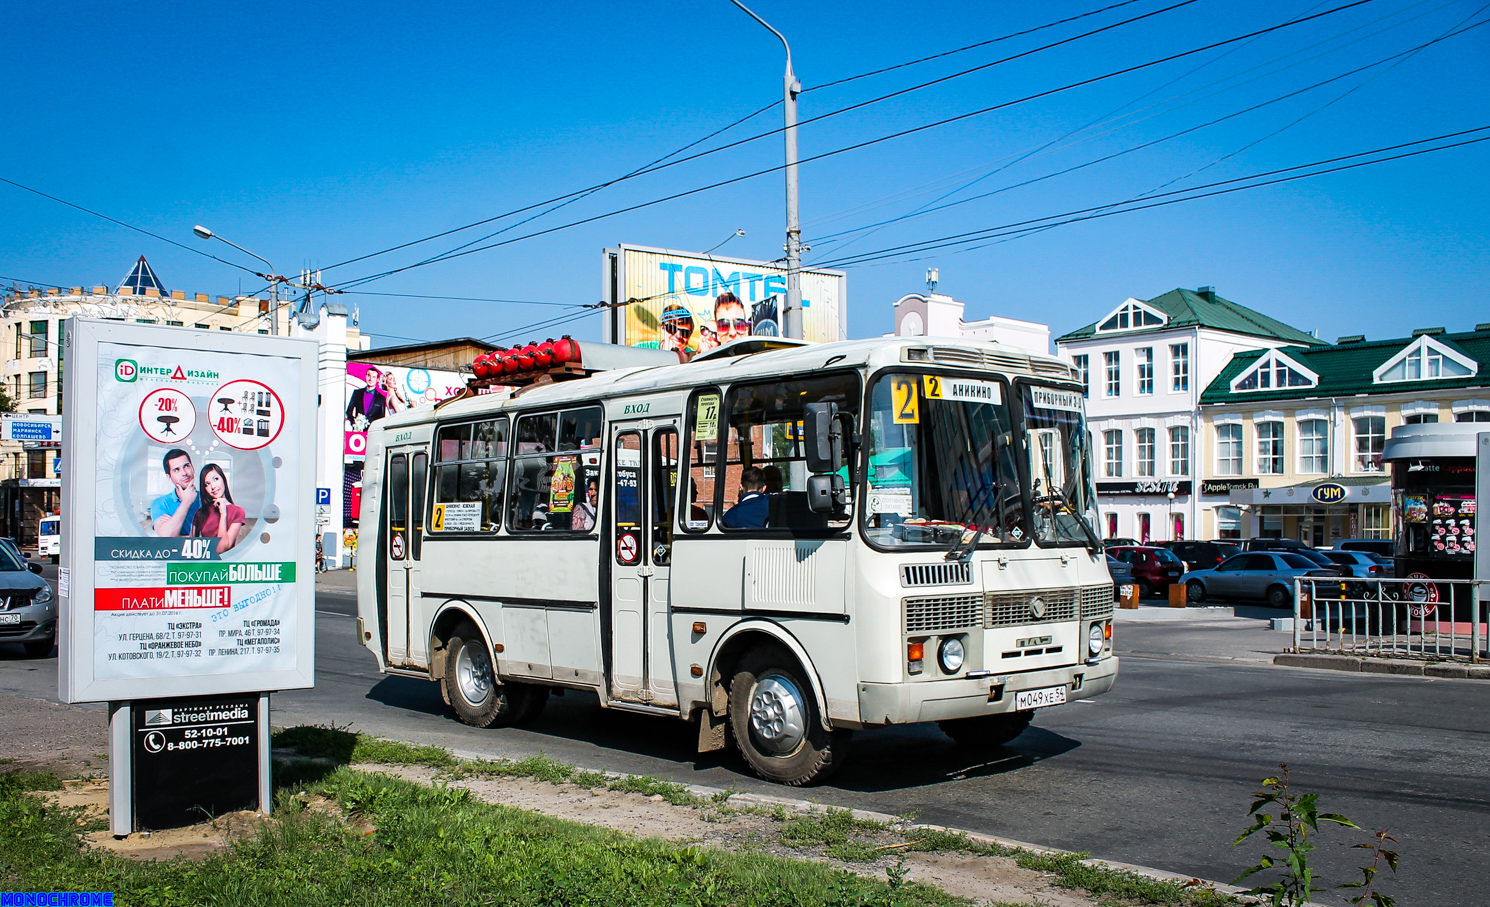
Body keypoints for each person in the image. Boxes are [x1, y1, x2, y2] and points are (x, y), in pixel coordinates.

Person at [192, 463, 247, 554]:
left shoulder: (238, 512)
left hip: (225, 564)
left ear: (223, 479)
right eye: (207, 484)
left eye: (215, 479)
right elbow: (192, 547)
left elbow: (221, 549)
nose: (213, 487)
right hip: (203, 565)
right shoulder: (200, 513)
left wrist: (223, 514)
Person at [151, 448, 200, 537]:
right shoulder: (160, 503)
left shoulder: (208, 498)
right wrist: (186, 502)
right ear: (169, 477)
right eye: (176, 470)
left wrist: (177, 536)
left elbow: (216, 536)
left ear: (193, 468)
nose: (184, 473)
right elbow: (166, 536)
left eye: (186, 466)